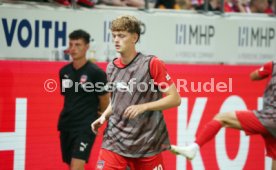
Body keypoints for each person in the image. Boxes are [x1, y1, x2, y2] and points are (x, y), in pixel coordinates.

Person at [91, 15, 181, 170]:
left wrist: (143, 107)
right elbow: (116, 101)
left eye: (121, 36)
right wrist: (104, 116)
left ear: (134, 37)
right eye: (114, 36)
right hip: (114, 141)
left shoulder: (152, 64)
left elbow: (175, 99)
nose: (116, 40)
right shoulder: (111, 67)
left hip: (147, 143)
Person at [170, 61, 276, 169]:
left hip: (270, 117)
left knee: (222, 118)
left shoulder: (272, 65)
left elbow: (254, 76)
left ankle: (194, 147)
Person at [58, 29, 110, 170]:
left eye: (78, 45)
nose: (73, 49)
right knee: (71, 165)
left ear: (87, 47)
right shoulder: (64, 72)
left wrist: (101, 117)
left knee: (77, 166)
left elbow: (105, 98)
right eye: (71, 44)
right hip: (67, 125)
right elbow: (68, 97)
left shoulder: (96, 73)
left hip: (86, 126)